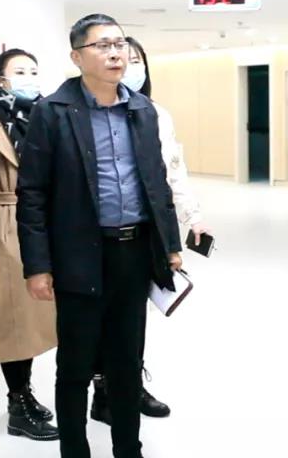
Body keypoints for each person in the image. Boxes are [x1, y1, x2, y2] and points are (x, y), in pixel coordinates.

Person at [17, 14, 183, 458]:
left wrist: (170, 245)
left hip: (134, 252)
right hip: (79, 255)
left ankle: (128, 448)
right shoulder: (52, 112)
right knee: (75, 365)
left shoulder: (142, 110)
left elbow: (156, 182)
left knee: (126, 362)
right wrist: (38, 265)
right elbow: (32, 193)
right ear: (77, 56)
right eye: (103, 45)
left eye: (120, 44)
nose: (115, 54)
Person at [89, 36, 208, 424]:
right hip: (99, 232)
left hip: (145, 229)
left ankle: (129, 385)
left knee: (134, 313)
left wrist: (193, 217)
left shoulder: (156, 114)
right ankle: (102, 391)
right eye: (121, 55)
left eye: (136, 59)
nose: (127, 64)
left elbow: (173, 170)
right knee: (99, 315)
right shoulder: (83, 112)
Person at [0, 48, 59, 441]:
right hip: (10, 228)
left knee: (54, 317)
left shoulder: (47, 118)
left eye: (33, 71)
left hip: (51, 224)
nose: (29, 78)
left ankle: (30, 397)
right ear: (0, 80)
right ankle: (18, 402)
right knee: (16, 321)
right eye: (19, 71)